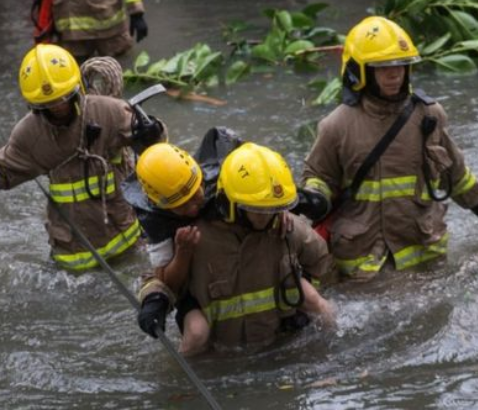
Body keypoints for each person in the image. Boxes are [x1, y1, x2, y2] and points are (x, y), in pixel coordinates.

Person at [297, 16, 478, 281]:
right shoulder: (336, 126)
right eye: (383, 66)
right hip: (365, 262)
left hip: (424, 249)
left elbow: (454, 170)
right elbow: (318, 176)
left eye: (402, 65)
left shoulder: (429, 115)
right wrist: (313, 198)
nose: (395, 74)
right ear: (359, 71)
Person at [0, 43, 165, 272]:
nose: (58, 107)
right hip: (72, 259)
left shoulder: (110, 113)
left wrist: (153, 133)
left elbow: (159, 155)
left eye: (63, 98)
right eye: (47, 104)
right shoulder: (30, 134)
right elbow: (0, 170)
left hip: (127, 243)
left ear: (77, 88)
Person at [135, 141, 336, 354]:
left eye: (273, 209)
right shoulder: (187, 235)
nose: (194, 206)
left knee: (316, 301)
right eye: (259, 210)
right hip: (221, 346)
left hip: (278, 336)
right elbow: (157, 278)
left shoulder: (284, 226)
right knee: (196, 334)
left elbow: (322, 261)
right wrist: (154, 300)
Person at [124, 128, 242, 355]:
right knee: (198, 334)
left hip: (232, 262)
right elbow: (167, 283)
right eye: (181, 206)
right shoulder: (153, 217)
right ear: (160, 205)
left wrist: (277, 212)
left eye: (196, 197)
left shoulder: (220, 174)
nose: (193, 208)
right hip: (195, 282)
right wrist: (183, 251)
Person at [24, 0, 148, 60]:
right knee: (78, 80)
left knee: (119, 72)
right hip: (72, 33)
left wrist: (137, 14)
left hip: (109, 30)